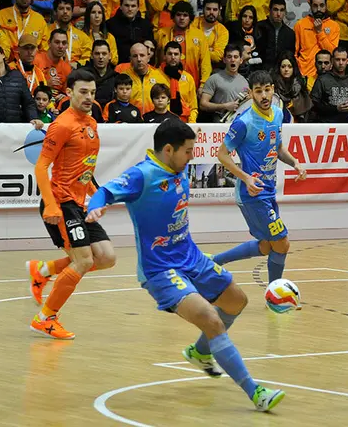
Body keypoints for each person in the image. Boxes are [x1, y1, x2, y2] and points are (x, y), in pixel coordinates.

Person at [85, 118, 286, 412]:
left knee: (236, 301)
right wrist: (95, 207)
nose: (192, 156)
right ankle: (255, 392)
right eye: (189, 151)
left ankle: (200, 351)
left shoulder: (176, 166)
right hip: (161, 271)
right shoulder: (143, 175)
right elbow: (105, 191)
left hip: (191, 257)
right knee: (212, 320)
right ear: (168, 150)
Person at [27, 69, 116, 340]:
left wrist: (98, 195)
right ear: (69, 93)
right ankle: (45, 318)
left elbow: (85, 169)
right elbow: (41, 167)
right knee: (84, 259)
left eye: (92, 92)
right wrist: (52, 206)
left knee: (106, 258)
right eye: (83, 92)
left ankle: (44, 270)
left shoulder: (91, 124)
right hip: (61, 203)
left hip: (79, 204)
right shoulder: (62, 125)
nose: (89, 97)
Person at [213, 70, 306, 286]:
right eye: (258, 91)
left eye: (267, 90)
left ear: (273, 89)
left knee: (267, 246)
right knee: (282, 243)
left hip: (269, 190)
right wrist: (246, 178)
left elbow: (278, 147)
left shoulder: (278, 114)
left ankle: (214, 262)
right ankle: (274, 293)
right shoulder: (244, 122)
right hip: (252, 193)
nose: (264, 95)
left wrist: (295, 162)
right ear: (251, 94)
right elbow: (222, 154)